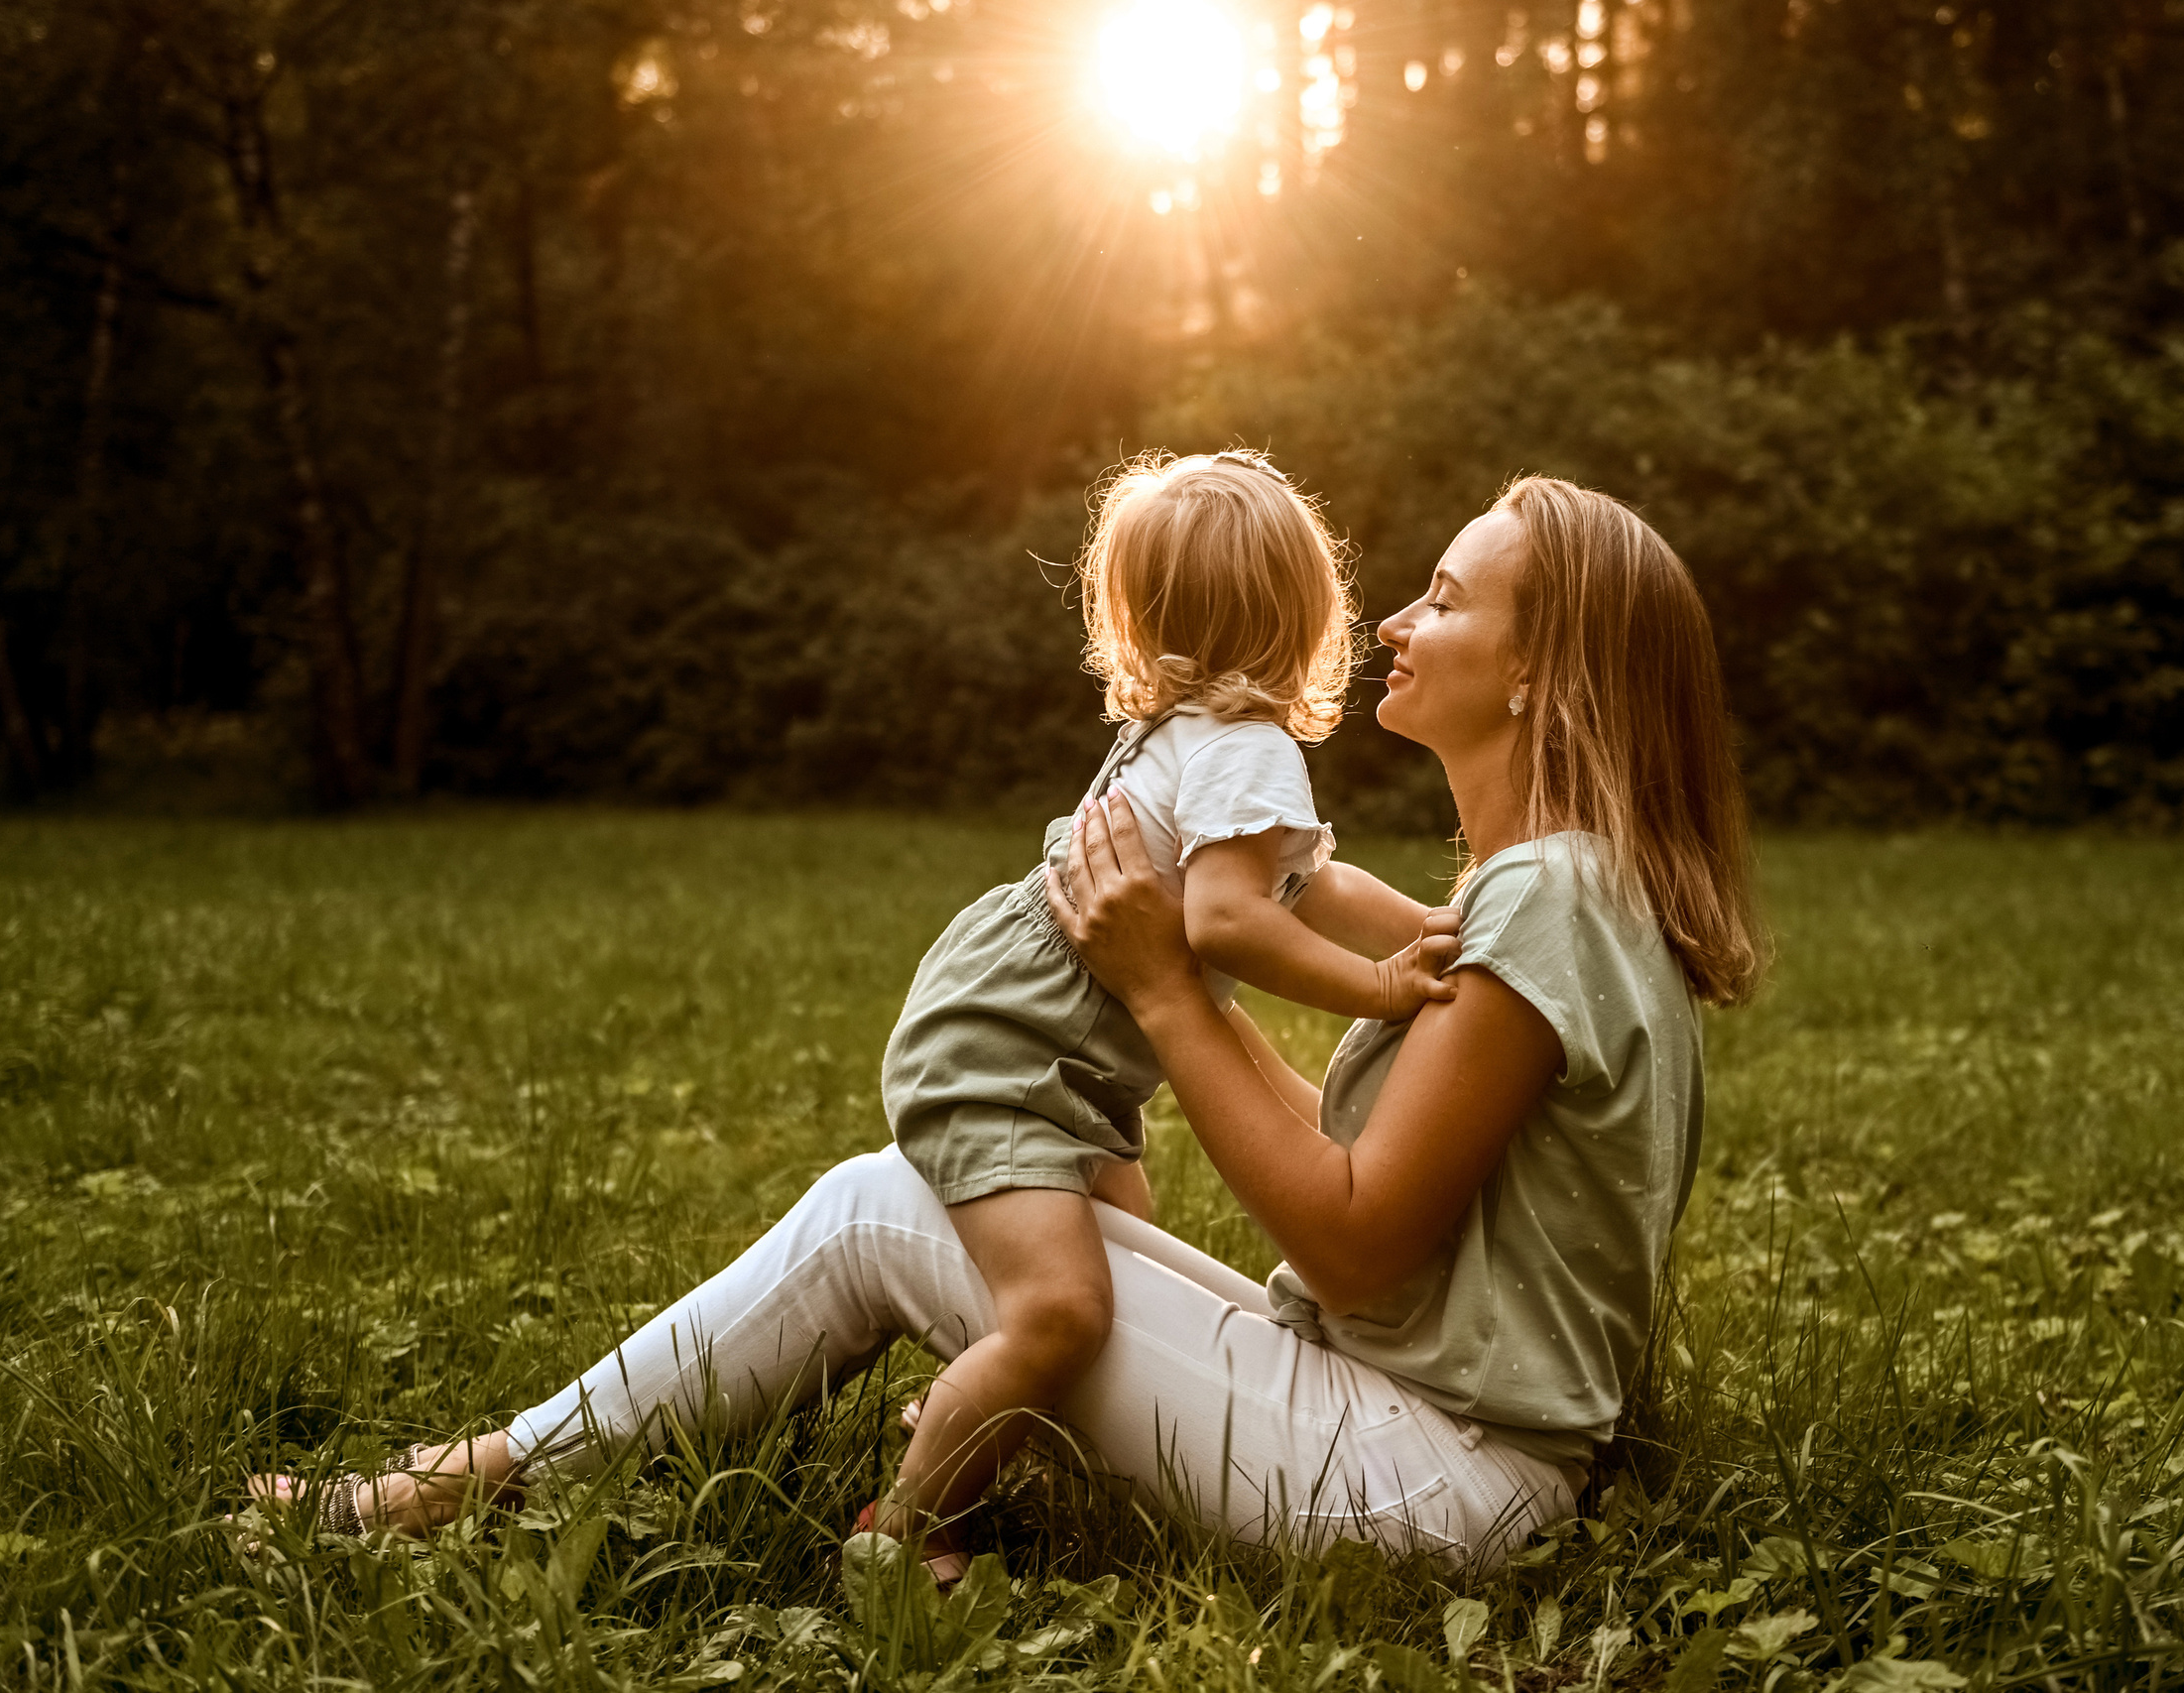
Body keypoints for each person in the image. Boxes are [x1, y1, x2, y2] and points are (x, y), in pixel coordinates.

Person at [253, 475, 1763, 1580]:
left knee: (874, 1217)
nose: (1398, 617)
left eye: (1446, 595)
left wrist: (1166, 987)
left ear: (1539, 670)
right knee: (881, 1200)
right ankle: (489, 1472)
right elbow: (1397, 1199)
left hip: (1434, 1475)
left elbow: (1360, 1243)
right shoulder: (1546, 893)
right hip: (1416, 1426)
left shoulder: (1555, 902)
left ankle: (483, 1487)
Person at [871, 449, 1459, 1581]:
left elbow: (1309, 882)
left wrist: (1425, 925)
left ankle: (975, 1417)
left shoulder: (1198, 735)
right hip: (1010, 1057)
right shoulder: (1245, 747)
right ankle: (899, 1530)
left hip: (1053, 1056)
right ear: (1307, 610)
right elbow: (1231, 925)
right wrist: (1383, 988)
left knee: (1122, 1283)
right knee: (1064, 1312)